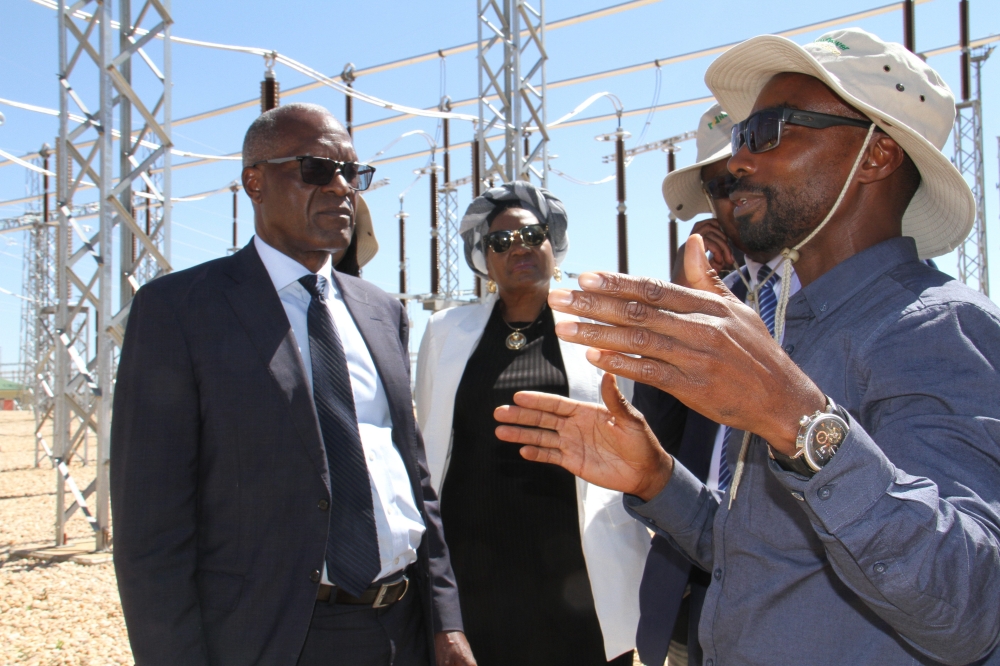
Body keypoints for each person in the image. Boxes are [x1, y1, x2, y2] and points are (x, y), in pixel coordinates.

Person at [494, 28, 1000, 665]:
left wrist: (797, 420)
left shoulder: (941, 330)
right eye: (742, 135)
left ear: (876, 155)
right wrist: (656, 478)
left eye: (771, 130)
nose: (737, 161)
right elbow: (760, 558)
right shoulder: (789, 329)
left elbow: (973, 609)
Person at [111, 102, 475, 666]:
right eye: (315, 169)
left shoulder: (382, 312)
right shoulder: (182, 311)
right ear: (254, 182)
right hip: (281, 636)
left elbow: (413, 476)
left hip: (403, 625)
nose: (340, 188)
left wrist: (446, 620)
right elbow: (151, 525)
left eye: (352, 174)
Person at [414, 181, 650, 666]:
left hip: (581, 569)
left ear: (553, 242)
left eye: (530, 235)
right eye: (499, 242)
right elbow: (424, 451)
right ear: (484, 258)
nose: (517, 248)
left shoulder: (600, 331)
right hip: (473, 568)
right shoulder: (444, 333)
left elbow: (637, 442)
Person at [635, 101, 801, 666]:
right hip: (694, 589)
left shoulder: (826, 298)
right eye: (719, 186)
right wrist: (685, 307)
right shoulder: (704, 303)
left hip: (793, 607)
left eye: (743, 179)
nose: (735, 196)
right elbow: (658, 437)